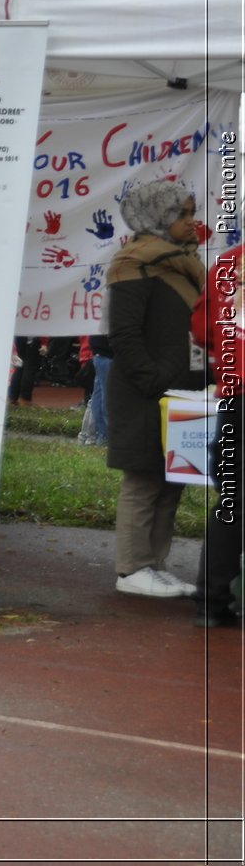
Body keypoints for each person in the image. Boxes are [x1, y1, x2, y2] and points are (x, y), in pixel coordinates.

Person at [106, 180, 206, 597]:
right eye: (181, 214)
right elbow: (124, 335)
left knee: (171, 479)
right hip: (145, 391)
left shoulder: (185, 262)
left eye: (190, 212)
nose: (190, 222)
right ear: (158, 218)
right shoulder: (133, 264)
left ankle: (156, 565)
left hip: (184, 389)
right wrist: (154, 379)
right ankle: (132, 569)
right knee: (144, 478)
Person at [191, 242, 241, 627]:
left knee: (232, 502)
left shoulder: (229, 260)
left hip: (235, 397)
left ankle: (211, 600)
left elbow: (202, 329)